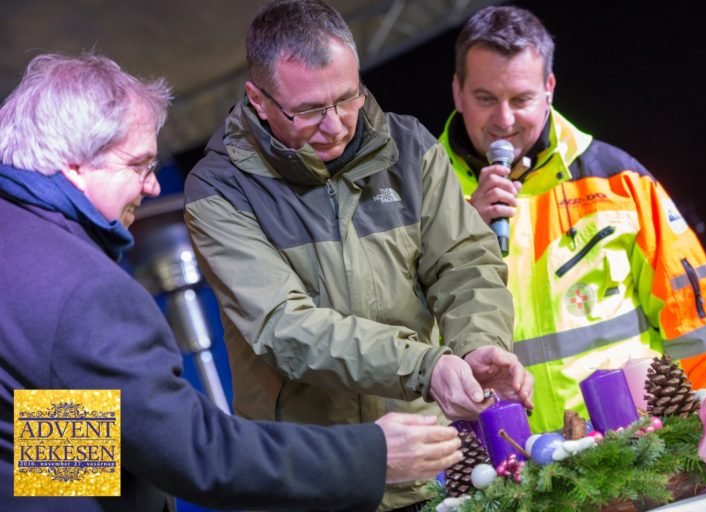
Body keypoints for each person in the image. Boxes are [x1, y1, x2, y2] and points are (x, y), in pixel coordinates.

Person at [0, 52, 466, 512]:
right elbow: (197, 454)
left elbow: (21, 432)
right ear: (76, 164)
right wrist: (372, 456)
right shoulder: (87, 290)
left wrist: (118, 457)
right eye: (139, 165)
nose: (153, 185)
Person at [183, 0, 533, 509]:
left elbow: (465, 262)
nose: (335, 125)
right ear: (258, 100)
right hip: (318, 479)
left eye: (347, 98)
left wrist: (477, 345)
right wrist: (425, 366)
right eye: (307, 111)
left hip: (435, 464)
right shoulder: (220, 190)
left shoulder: (409, 146)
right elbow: (284, 327)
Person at [440, 5, 706, 434]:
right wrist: (454, 236)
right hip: (500, 473)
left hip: (636, 454)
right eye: (485, 99)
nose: (504, 120)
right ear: (457, 91)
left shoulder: (621, 181)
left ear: (549, 88)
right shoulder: (419, 200)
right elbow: (388, 344)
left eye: (521, 99)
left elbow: (701, 330)